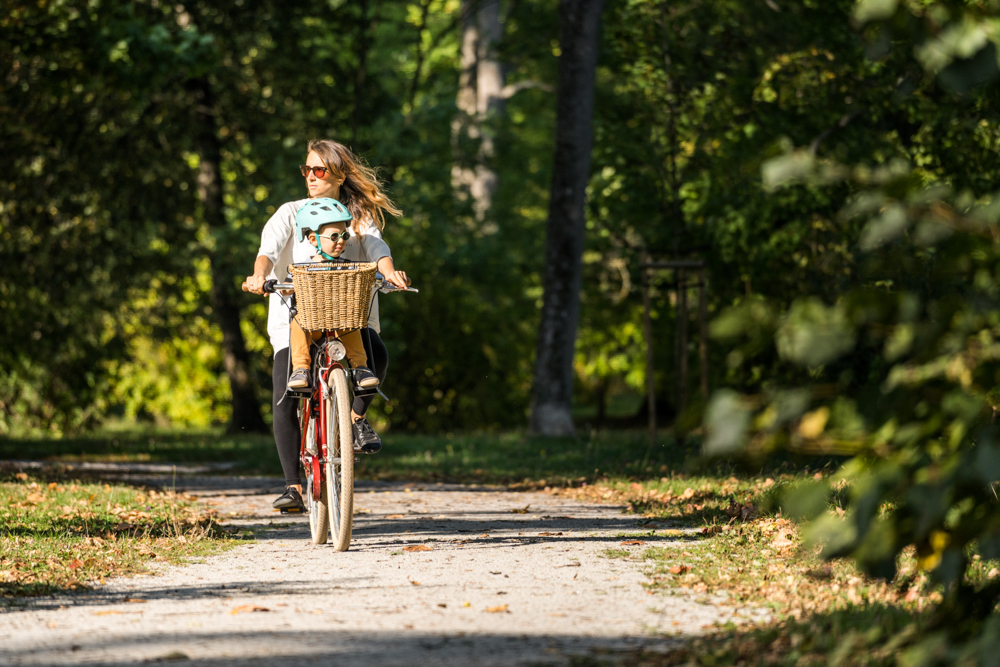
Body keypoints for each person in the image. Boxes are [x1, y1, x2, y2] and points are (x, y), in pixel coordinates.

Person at [242, 139, 409, 513]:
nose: (310, 177)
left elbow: (376, 248)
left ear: (339, 174)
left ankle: (354, 420)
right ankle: (293, 487)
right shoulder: (291, 211)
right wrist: (258, 277)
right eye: (307, 169)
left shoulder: (358, 215)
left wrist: (389, 273)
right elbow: (267, 251)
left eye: (318, 170)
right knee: (284, 393)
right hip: (297, 317)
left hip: (348, 315)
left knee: (377, 357)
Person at [286, 197, 379, 392]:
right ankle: (301, 368)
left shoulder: (349, 267)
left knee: (351, 322)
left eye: (345, 236)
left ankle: (360, 368)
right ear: (313, 239)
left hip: (339, 320)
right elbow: (288, 284)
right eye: (335, 236)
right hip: (312, 323)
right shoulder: (302, 268)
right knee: (298, 322)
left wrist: (380, 279)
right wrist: (283, 286)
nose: (341, 242)